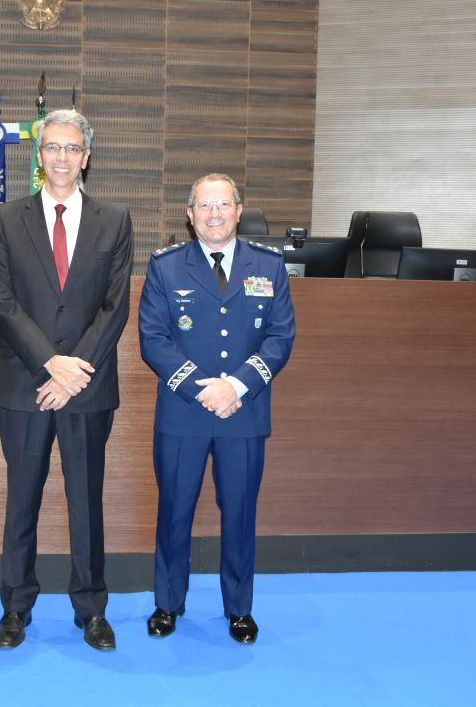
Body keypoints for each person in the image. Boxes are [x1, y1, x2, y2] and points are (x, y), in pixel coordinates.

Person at [0, 108, 134, 652]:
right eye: (53, 147)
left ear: (86, 157)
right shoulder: (5, 218)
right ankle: (15, 607)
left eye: (73, 148)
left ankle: (91, 608)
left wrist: (75, 373)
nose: (63, 157)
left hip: (89, 386)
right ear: (39, 155)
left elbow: (114, 308)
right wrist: (52, 363)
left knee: (86, 499)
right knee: (22, 497)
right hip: (24, 382)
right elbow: (2, 302)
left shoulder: (114, 220)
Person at [137, 173, 295, 644]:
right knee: (174, 511)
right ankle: (167, 603)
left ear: (239, 210)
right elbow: (154, 338)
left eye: (223, 205)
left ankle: (239, 608)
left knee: (241, 513)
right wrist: (200, 389)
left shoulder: (268, 266)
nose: (214, 214)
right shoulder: (166, 267)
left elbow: (281, 336)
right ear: (189, 215)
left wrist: (238, 387)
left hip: (243, 414)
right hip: (184, 413)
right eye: (204, 206)